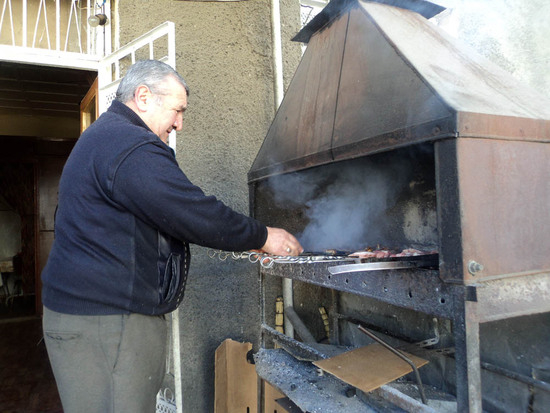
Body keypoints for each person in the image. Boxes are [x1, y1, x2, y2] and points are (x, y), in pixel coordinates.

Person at [41, 59, 303, 413]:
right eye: (178, 110)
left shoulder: (105, 137)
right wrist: (263, 235)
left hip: (92, 320)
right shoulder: (127, 144)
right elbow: (190, 211)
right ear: (144, 97)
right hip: (107, 325)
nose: (179, 123)